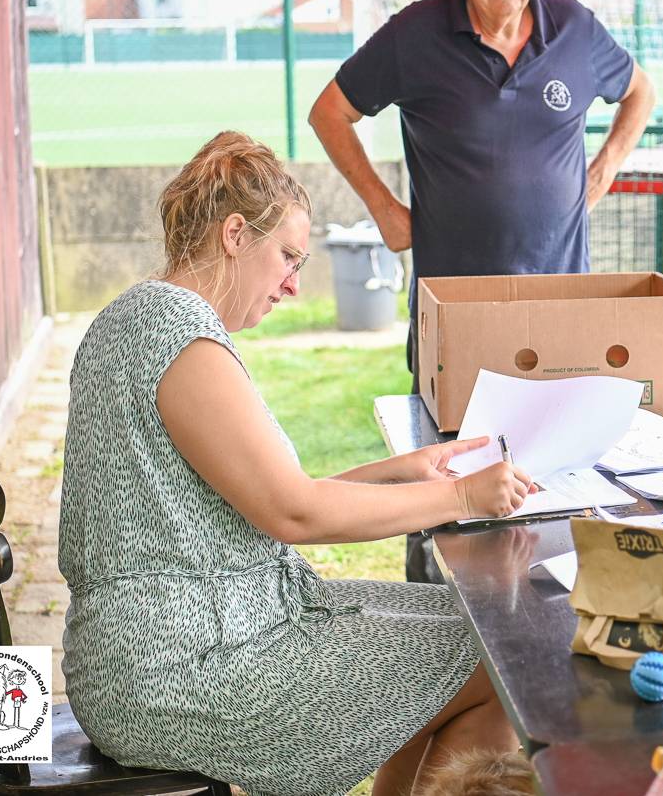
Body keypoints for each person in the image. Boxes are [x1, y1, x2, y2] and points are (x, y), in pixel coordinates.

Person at [58, 132, 532, 796]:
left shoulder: (151, 320)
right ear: (233, 235)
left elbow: (255, 498)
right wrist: (463, 499)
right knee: (495, 661)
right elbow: (292, 512)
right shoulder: (177, 335)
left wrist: (400, 471)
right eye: (287, 256)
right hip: (185, 665)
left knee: (475, 636)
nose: (293, 284)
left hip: (193, 639)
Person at [309, 0, 655, 582]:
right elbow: (330, 112)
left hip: (559, 305)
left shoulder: (576, 30)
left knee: (553, 474)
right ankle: (430, 608)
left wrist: (608, 162)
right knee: (442, 467)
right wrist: (383, 206)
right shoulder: (415, 35)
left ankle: (543, 605)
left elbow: (641, 91)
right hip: (455, 312)